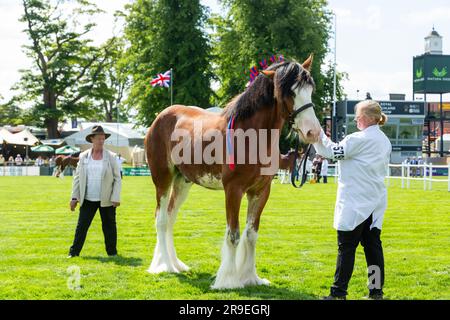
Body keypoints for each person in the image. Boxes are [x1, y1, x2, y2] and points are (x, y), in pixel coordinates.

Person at [313, 100, 391, 300]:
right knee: (373, 248)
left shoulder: (358, 139)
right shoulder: (384, 140)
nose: (356, 118)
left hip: (355, 202)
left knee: (346, 248)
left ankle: (338, 292)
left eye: (358, 115)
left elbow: (331, 152)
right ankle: (376, 291)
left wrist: (318, 135)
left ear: (368, 118)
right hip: (375, 202)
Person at [68, 125, 122, 258]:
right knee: (81, 227)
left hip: (107, 199)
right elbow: (77, 178)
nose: (101, 141)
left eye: (103, 139)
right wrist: (74, 197)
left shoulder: (111, 156)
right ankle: (74, 253)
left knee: (109, 227)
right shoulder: (84, 156)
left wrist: (115, 197)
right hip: (87, 198)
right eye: (98, 138)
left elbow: (117, 178)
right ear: (92, 139)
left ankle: (112, 253)